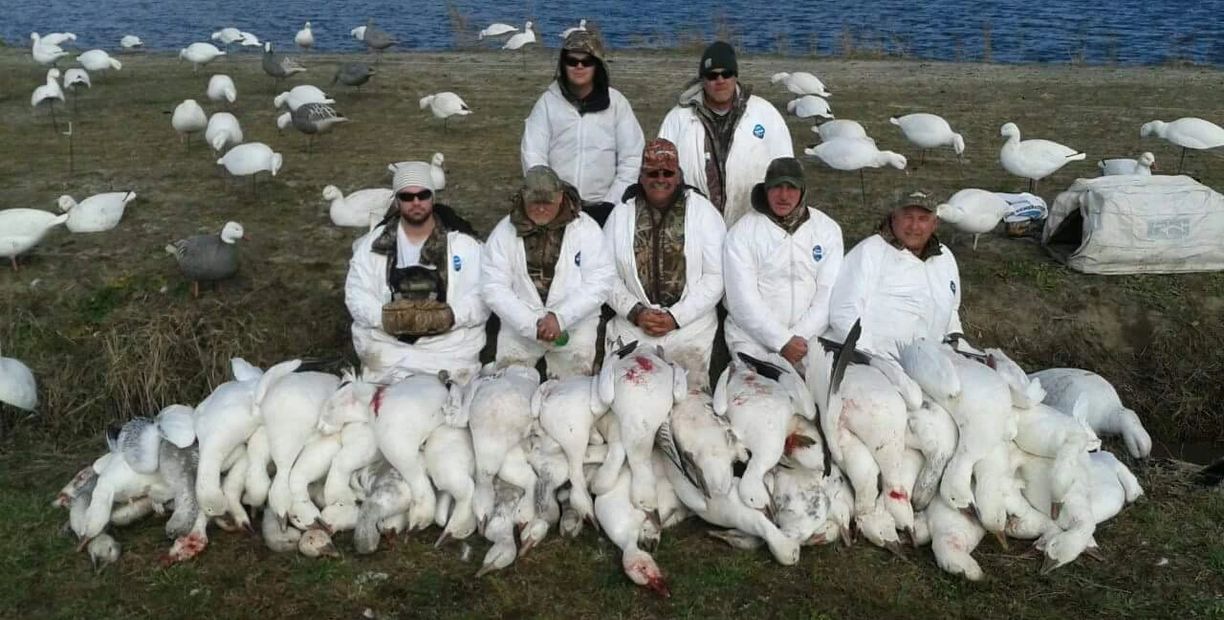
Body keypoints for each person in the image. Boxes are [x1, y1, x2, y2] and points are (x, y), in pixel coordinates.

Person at [344, 162, 489, 384]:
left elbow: (483, 295)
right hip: (388, 350)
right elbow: (355, 293)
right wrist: (385, 318)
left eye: (423, 195)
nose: (416, 203)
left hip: (449, 352)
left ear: (433, 198)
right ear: (397, 200)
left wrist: (450, 316)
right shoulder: (372, 246)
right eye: (406, 197)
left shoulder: (464, 246)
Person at [604, 138, 726, 387]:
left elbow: (716, 276)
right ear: (641, 176)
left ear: (678, 175)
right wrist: (636, 312)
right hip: (632, 328)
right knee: (627, 394)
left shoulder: (704, 213)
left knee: (692, 403)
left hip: (691, 330)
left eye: (667, 172)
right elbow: (604, 274)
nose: (660, 179)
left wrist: (676, 317)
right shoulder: (620, 215)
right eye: (652, 173)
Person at [481, 166, 615, 378]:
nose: (541, 209)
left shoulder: (586, 229)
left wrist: (560, 318)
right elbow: (493, 286)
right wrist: (529, 323)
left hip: (574, 327)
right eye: (535, 202)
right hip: (520, 328)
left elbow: (600, 280)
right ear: (524, 197)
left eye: (547, 203)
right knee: (506, 393)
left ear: (560, 197)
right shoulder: (504, 232)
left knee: (573, 393)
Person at [723, 157, 843, 366]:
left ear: (803, 190)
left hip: (809, 338)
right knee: (760, 395)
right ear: (765, 189)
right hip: (753, 339)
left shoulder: (827, 230)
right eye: (777, 187)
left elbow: (828, 293)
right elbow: (742, 300)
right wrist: (781, 340)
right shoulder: (742, 233)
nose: (784, 196)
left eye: (791, 188)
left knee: (823, 394)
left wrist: (798, 339)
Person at [658, 41, 793, 227]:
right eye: (712, 75)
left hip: (753, 225)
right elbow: (660, 174)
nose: (720, 80)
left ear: (735, 76)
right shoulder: (677, 119)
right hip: (694, 227)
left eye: (726, 73)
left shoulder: (765, 113)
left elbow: (786, 171)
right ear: (703, 80)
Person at [520, 30, 645, 226]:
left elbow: (632, 158)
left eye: (586, 61)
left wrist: (611, 204)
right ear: (563, 64)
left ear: (597, 65)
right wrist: (550, 196)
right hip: (557, 208)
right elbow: (533, 154)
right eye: (572, 61)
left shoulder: (617, 104)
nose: (579, 66)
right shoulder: (547, 103)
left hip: (606, 209)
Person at [825, 190, 965, 359]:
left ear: (935, 224)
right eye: (907, 217)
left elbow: (952, 307)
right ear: (893, 218)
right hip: (872, 360)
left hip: (931, 358)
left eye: (923, 219)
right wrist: (872, 355)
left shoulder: (945, 257)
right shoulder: (870, 251)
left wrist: (954, 337)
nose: (914, 226)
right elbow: (843, 312)